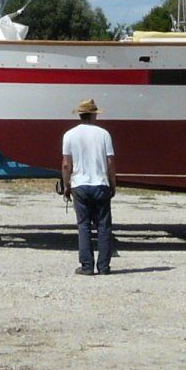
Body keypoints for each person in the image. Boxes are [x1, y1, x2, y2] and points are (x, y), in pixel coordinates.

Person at [59, 98, 116, 276]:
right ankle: (104, 266)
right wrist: (112, 183)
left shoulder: (69, 135)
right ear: (93, 115)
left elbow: (66, 164)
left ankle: (87, 266)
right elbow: (110, 162)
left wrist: (66, 185)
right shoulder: (104, 134)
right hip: (100, 183)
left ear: (80, 115)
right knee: (104, 226)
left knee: (83, 225)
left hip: (80, 184)